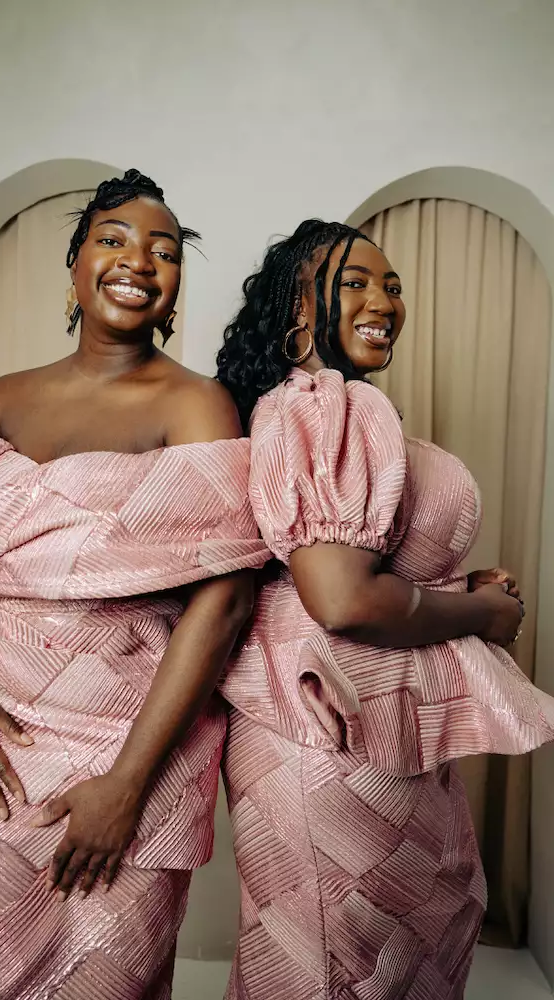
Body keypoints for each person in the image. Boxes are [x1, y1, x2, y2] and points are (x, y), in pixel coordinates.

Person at [0, 169, 269, 1000]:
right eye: (113, 239)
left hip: (122, 753)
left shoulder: (196, 405)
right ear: (75, 265)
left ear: (174, 286)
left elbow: (225, 602)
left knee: (106, 980)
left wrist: (126, 786)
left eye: (164, 252)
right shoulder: (3, 396)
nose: (139, 260)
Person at [216, 219, 554, 999]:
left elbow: (360, 568)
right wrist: (485, 618)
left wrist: (460, 590)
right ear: (300, 308)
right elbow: (341, 598)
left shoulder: (343, 409)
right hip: (328, 731)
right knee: (333, 965)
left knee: (385, 954)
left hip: (369, 721)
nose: (383, 301)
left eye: (393, 286)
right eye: (356, 282)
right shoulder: (321, 407)